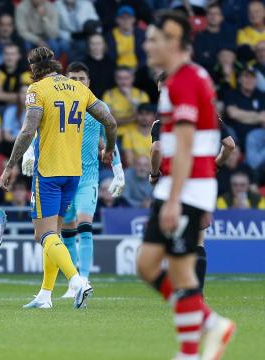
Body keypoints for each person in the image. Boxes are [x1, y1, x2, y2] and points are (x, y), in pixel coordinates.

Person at [138, 11, 235, 360]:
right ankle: (210, 323)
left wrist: (175, 198)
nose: (147, 45)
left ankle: (191, 352)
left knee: (180, 271)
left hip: (188, 188)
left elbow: (183, 147)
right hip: (179, 187)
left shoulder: (185, 83)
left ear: (173, 42)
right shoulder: (175, 84)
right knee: (147, 266)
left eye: (154, 39)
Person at [0, 47, 117, 309]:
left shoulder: (37, 90)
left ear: (34, 70)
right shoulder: (79, 89)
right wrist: (109, 149)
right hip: (74, 173)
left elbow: (29, 130)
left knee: (42, 235)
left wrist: (10, 165)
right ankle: (45, 295)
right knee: (55, 235)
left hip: (48, 173)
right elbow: (110, 122)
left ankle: (77, 281)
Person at [22, 61, 124, 298]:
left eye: (82, 79)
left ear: (89, 82)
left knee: (84, 225)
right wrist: (29, 152)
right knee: (64, 232)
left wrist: (118, 170)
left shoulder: (97, 108)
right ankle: (72, 282)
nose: (77, 83)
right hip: (64, 172)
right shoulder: (58, 102)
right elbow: (38, 129)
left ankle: (83, 278)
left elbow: (107, 142)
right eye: (74, 79)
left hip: (87, 177)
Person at [102, 66, 150, 141]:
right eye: (120, 78)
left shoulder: (141, 95)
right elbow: (109, 121)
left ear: (133, 78)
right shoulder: (108, 95)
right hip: (116, 136)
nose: (123, 82)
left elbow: (144, 119)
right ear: (115, 79)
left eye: (126, 78)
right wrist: (133, 117)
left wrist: (129, 98)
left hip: (136, 136)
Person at [224, 67, 265, 148]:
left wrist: (242, 115)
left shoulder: (261, 95)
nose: (249, 80)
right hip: (235, 140)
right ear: (239, 79)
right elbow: (233, 114)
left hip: (257, 141)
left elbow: (264, 118)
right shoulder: (231, 93)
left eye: (252, 77)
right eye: (246, 76)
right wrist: (257, 116)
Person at [193, 3, 237, 73]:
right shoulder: (200, 36)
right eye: (210, 14)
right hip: (206, 72)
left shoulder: (228, 35)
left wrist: (210, 55)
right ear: (206, 16)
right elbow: (199, 59)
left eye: (216, 14)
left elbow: (231, 56)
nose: (213, 16)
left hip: (226, 72)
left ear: (222, 17)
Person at [82, 33, 116, 98]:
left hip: (109, 100)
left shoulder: (111, 63)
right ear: (89, 45)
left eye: (98, 43)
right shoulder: (82, 64)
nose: (96, 47)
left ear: (104, 45)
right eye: (93, 44)